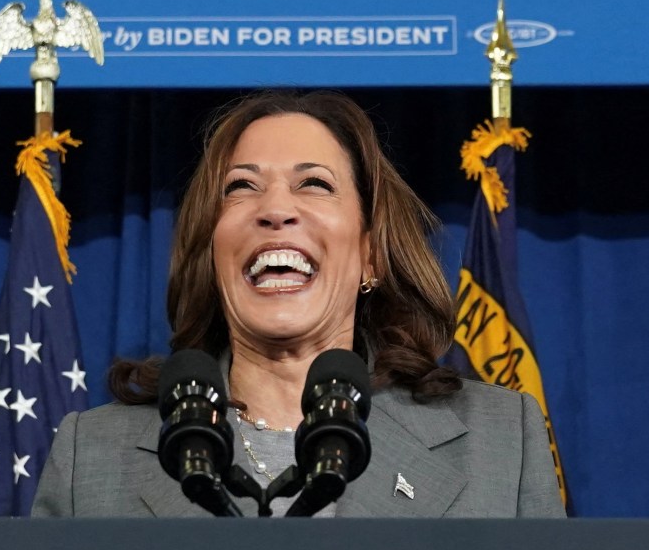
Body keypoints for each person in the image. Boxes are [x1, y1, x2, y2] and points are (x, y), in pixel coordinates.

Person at [32, 89, 565, 518]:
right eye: (242, 187)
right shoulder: (93, 455)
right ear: (212, 255)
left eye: (314, 184)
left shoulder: (499, 442)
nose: (276, 208)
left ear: (371, 254)